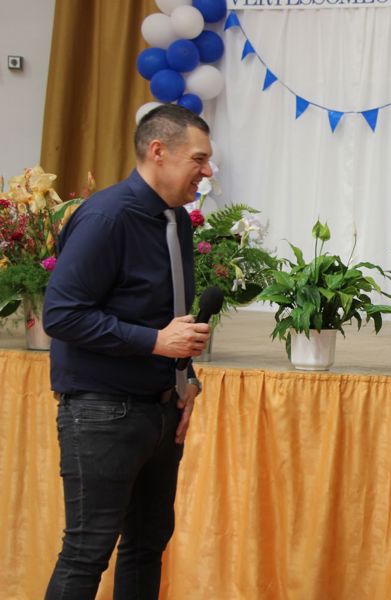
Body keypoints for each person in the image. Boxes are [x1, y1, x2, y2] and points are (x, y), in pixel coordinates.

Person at [42, 104, 213, 599]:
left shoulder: (176, 221)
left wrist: (185, 378)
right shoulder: (106, 217)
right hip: (102, 411)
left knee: (146, 546)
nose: (207, 171)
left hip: (161, 410)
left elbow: (166, 313)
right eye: (198, 159)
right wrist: (155, 342)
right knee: (87, 552)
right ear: (158, 151)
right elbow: (62, 315)